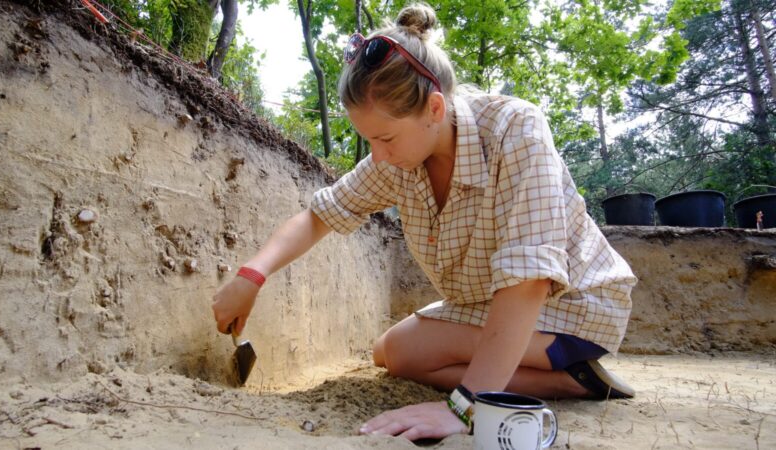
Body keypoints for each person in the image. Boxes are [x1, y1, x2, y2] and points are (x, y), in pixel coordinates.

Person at [212, 2, 638, 441]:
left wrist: (464, 406)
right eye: (369, 140)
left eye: (385, 138)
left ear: (434, 109)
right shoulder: (400, 158)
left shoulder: (514, 129)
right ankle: (572, 381)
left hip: (575, 306)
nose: (378, 156)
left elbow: (530, 280)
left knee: (410, 353)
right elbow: (319, 216)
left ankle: (502, 386)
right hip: (491, 306)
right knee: (392, 353)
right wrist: (252, 275)